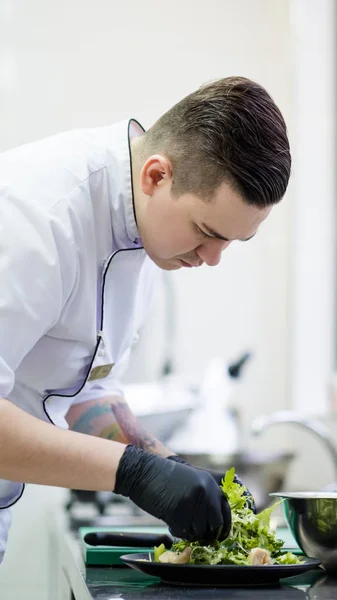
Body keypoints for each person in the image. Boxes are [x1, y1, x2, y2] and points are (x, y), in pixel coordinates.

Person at [0, 76, 291, 563]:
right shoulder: (35, 216)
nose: (212, 258)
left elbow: (84, 391)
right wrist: (133, 473)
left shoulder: (149, 235)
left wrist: (168, 464)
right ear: (156, 176)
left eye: (230, 242)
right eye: (206, 231)